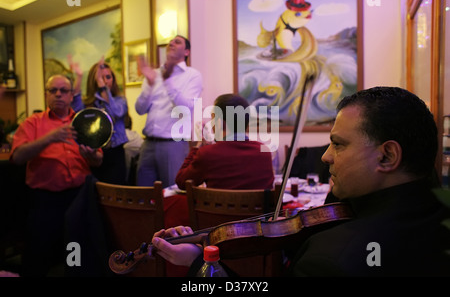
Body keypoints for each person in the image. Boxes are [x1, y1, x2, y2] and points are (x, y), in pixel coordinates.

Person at [150, 86, 450, 276]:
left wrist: (199, 264)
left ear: (387, 156)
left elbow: (181, 179)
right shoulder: (438, 213)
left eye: (339, 144)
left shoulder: (330, 260)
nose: (325, 156)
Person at [10, 75, 103, 276]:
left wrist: (92, 156)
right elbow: (17, 157)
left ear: (71, 96)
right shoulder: (33, 123)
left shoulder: (83, 121)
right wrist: (50, 138)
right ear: (46, 95)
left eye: (63, 90)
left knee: (75, 251)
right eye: (53, 90)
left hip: (78, 199)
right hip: (45, 201)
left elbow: (98, 161)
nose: (58, 94)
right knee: (38, 256)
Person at [135, 35, 203, 188]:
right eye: (170, 41)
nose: (171, 43)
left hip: (173, 145)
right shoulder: (153, 74)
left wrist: (167, 80)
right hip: (148, 144)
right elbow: (139, 110)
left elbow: (184, 109)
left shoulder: (193, 76)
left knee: (173, 196)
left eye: (177, 42)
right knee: (143, 197)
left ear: (186, 52)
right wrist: (150, 86)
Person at [175, 93, 274, 190]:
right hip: (256, 207)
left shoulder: (207, 154)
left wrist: (196, 148)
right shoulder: (264, 152)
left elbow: (181, 181)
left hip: (214, 206)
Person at [71, 58, 129, 185]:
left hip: (115, 152)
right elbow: (75, 111)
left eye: (108, 77)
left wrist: (102, 88)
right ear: (93, 80)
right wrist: (79, 77)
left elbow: (115, 113)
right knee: (95, 194)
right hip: (93, 153)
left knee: (116, 193)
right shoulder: (88, 103)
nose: (105, 81)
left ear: (113, 79)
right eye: (100, 77)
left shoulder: (120, 100)